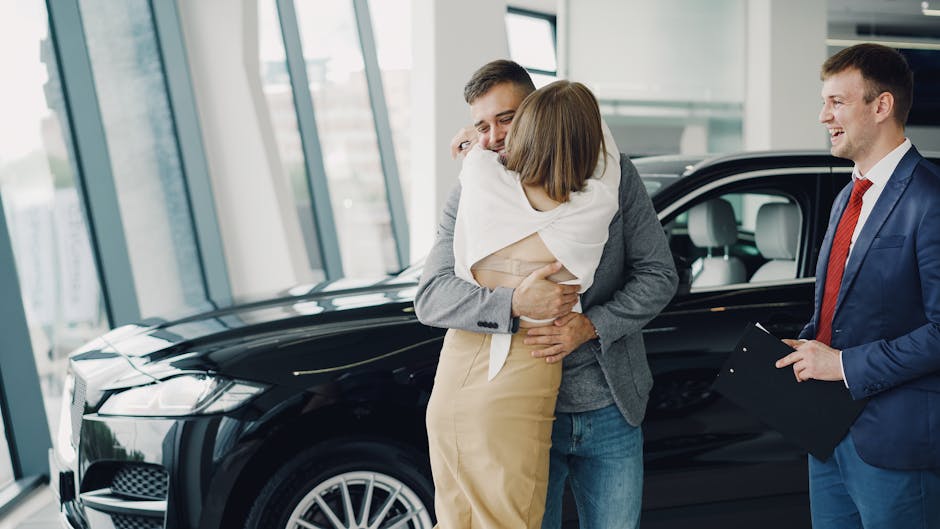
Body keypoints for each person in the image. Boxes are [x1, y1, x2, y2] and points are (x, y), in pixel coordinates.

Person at [416, 59, 677, 529]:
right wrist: (513, 304)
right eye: (481, 126)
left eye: (506, 119)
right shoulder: (473, 191)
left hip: (609, 406)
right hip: (519, 411)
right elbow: (432, 295)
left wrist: (591, 325)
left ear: (538, 112)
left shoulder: (612, 180)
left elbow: (659, 274)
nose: (493, 137)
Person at [776, 43, 940, 528]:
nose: (823, 115)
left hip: (894, 444)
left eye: (837, 102)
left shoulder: (930, 199)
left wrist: (842, 364)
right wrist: (810, 345)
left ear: (881, 105)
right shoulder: (848, 195)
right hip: (828, 434)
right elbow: (843, 310)